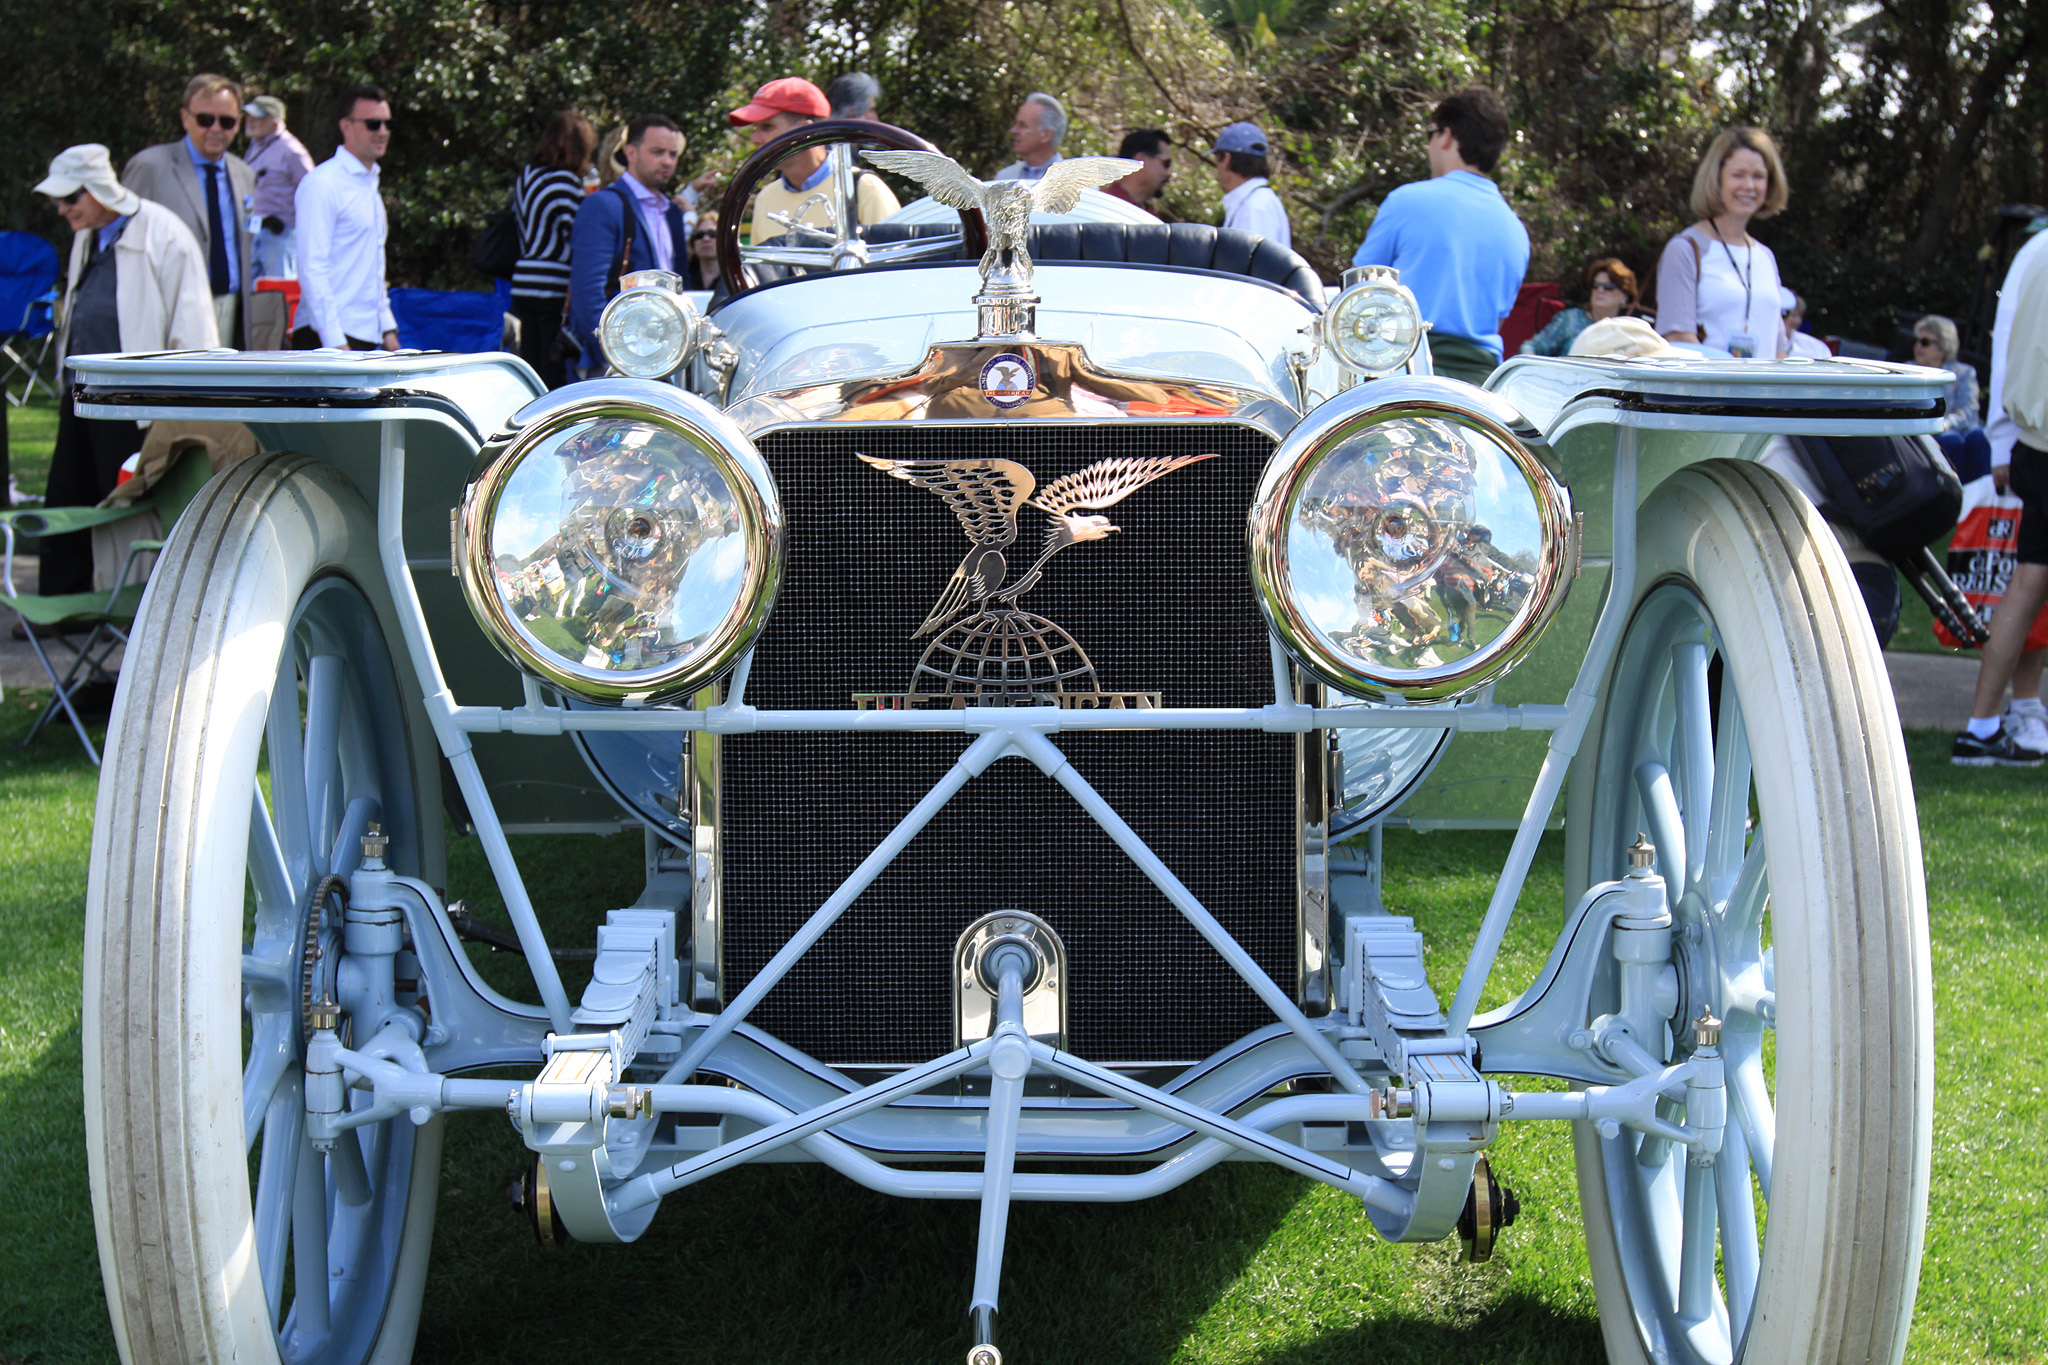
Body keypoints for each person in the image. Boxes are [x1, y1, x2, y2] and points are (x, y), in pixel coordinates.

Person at [31, 145, 215, 598]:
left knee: (126, 506)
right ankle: (66, 603)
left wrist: (171, 408)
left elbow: (193, 335)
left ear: (98, 191)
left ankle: (125, 603)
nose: (62, 208)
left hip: (133, 403)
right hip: (81, 392)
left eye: (71, 197)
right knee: (69, 494)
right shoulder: (87, 234)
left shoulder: (165, 235)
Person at [1350, 88, 1526, 382]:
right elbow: (1498, 319)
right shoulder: (1516, 230)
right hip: (1481, 389)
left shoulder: (1407, 201)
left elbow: (1357, 291)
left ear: (1446, 135)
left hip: (1406, 375)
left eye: (1430, 134)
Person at [1954, 221, 2048, 764]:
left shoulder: (2036, 247)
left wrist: (2001, 442)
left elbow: (2005, 339)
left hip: (2032, 441)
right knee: (2030, 578)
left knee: (2030, 577)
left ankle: (1982, 726)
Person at [121, 73, 257, 347]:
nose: (216, 129)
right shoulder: (150, 167)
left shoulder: (244, 174)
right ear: (185, 117)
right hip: (172, 311)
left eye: (227, 121)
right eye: (205, 120)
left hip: (232, 309)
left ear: (239, 123)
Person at [1655, 127, 1789, 360]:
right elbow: (1678, 340)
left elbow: (1778, 349)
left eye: (1758, 176)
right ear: (1716, 179)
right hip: (1708, 395)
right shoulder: (1685, 250)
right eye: (1738, 175)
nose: (1749, 185)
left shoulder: (1765, 257)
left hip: (1763, 395)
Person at [567, 114, 688, 371]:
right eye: (657, 152)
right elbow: (587, 294)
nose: (667, 161)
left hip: (665, 359)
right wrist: (616, 357)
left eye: (673, 154)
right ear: (630, 153)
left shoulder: (672, 213)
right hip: (617, 362)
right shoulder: (602, 205)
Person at [726, 78, 899, 245]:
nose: (754, 138)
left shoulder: (865, 190)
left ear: (804, 130)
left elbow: (900, 269)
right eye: (755, 128)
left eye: (766, 127)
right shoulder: (765, 199)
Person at [293, 83, 399, 351]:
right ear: (346, 126)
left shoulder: (369, 185)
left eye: (388, 123)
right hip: (326, 341)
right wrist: (335, 343)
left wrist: (388, 330)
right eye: (373, 124)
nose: (383, 132)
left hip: (363, 338)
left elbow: (373, 268)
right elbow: (312, 268)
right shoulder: (323, 184)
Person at [511, 110, 595, 389]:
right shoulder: (565, 182)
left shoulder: (527, 175)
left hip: (523, 279)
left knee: (527, 362)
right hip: (552, 284)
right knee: (552, 368)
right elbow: (578, 236)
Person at [1912, 313, 1991, 483]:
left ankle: (1983, 499)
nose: (1918, 346)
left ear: (1943, 347)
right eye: (1916, 341)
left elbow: (1969, 412)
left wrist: (1946, 424)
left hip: (1955, 428)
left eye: (1925, 342)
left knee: (1979, 436)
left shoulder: (1964, 373)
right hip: (1923, 432)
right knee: (1952, 441)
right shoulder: (1907, 372)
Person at [241, 95, 314, 279]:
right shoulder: (255, 146)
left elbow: (313, 194)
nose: (250, 121)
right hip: (253, 234)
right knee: (252, 299)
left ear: (274, 122)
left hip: (281, 237)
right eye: (248, 116)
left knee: (279, 298)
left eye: (257, 117)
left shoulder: (292, 152)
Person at [1521, 257, 1637, 355]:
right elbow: (1531, 347)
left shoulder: (1628, 330)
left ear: (1624, 295)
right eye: (1595, 285)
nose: (1600, 290)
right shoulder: (1570, 319)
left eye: (1608, 287)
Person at [1211, 122, 1289, 249]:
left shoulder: (1254, 207)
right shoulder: (1257, 200)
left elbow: (1254, 266)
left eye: (1217, 158)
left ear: (1227, 159)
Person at [994, 93, 1066, 181]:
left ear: (1046, 135)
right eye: (1016, 124)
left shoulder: (1071, 181)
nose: (1014, 130)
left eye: (1023, 125)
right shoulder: (1004, 177)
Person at [1105, 129, 1172, 215]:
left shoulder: (1151, 217)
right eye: (1166, 164)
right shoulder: (1100, 205)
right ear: (1141, 161)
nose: (1169, 173)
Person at [1781, 289, 1831, 359]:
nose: (1798, 321)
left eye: (1799, 315)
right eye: (1793, 315)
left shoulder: (1816, 349)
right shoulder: (1760, 345)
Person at [682, 212, 722, 291]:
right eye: (699, 235)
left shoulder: (734, 278)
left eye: (712, 233)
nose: (705, 239)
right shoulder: (684, 277)